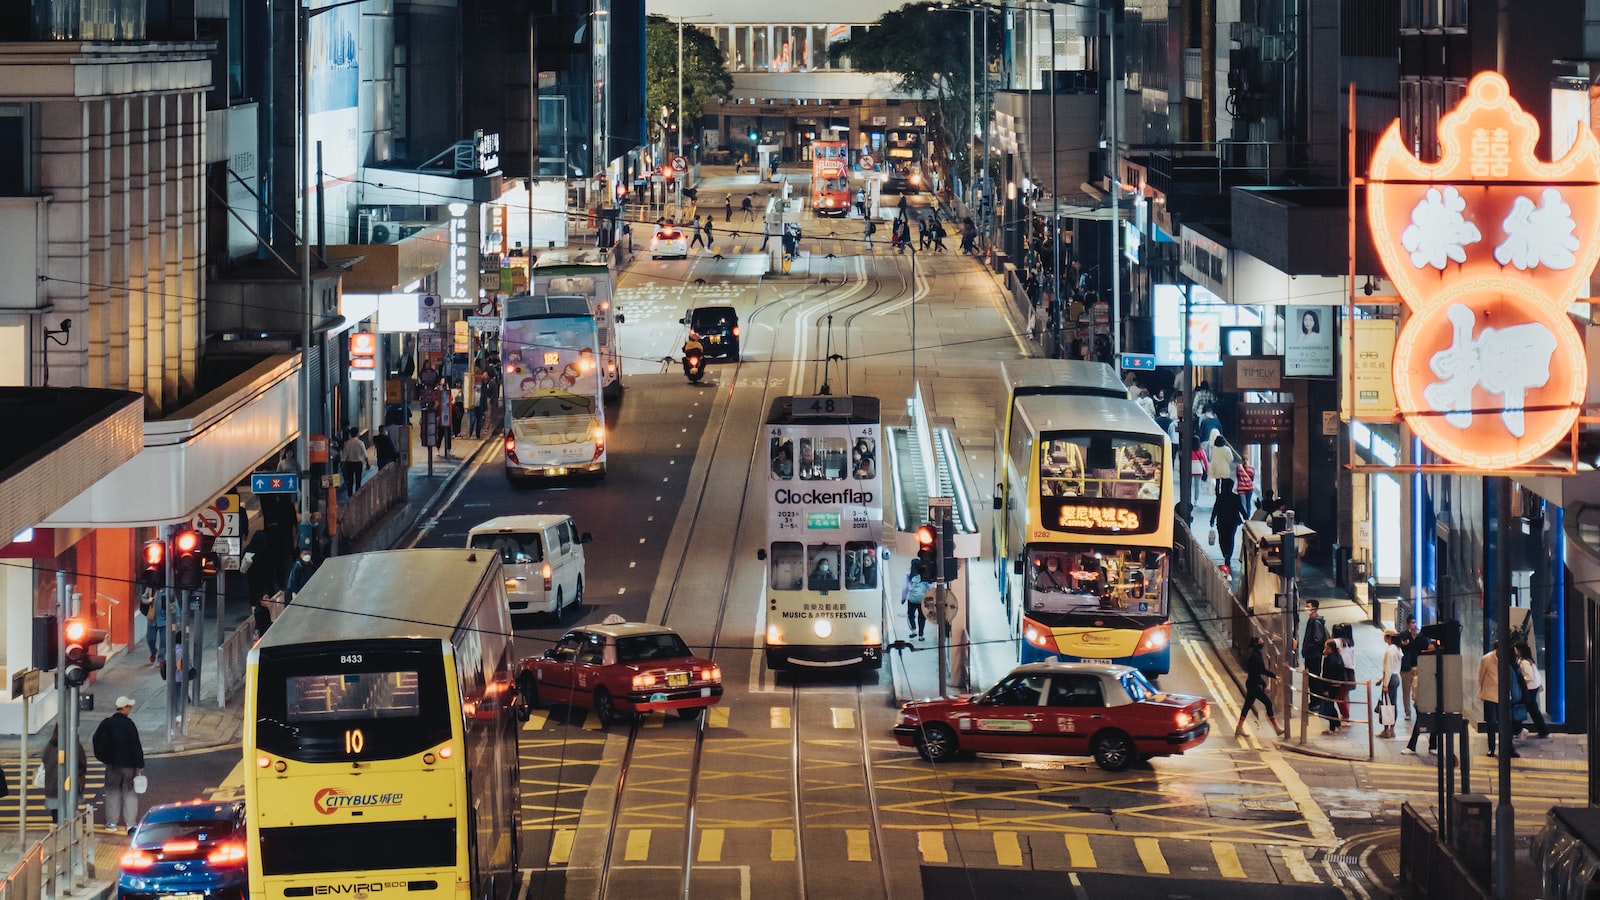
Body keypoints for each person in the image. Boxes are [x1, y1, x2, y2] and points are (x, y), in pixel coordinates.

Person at [92, 697, 145, 834]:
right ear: (125, 707)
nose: (130, 709)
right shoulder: (129, 724)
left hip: (113, 765)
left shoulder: (107, 723)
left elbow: (96, 740)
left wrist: (104, 758)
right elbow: (135, 745)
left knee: (112, 793)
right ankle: (130, 824)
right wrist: (140, 764)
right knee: (130, 794)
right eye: (130, 707)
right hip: (129, 766)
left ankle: (112, 823)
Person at [1477, 641, 1517, 757]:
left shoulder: (1508, 658)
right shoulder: (1487, 659)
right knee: (1491, 723)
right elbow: (1481, 676)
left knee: (1506, 723)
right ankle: (1491, 748)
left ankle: (1509, 748)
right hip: (1490, 695)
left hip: (1504, 695)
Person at [1235, 636, 1280, 736]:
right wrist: (1264, 685)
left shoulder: (1257, 655)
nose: (1262, 642)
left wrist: (1274, 676)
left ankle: (1239, 728)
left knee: (1247, 706)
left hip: (1253, 684)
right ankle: (1276, 728)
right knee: (1268, 703)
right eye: (1260, 641)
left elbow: (1262, 670)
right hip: (1253, 684)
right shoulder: (1254, 657)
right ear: (1256, 644)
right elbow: (1256, 674)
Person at [42, 725, 87, 824]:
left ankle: (57, 833)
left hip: (52, 787)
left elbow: (44, 760)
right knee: (70, 815)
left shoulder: (49, 745)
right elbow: (82, 764)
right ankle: (69, 834)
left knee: (56, 817)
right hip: (70, 785)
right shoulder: (74, 745)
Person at [1514, 641, 1551, 739]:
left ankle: (1520, 730)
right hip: (1532, 687)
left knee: (1525, 709)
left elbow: (1529, 677)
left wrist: (1520, 681)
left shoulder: (1524, 662)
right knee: (1533, 710)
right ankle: (1542, 730)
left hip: (1529, 688)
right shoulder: (1528, 660)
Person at [1209, 487, 1245, 574]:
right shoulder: (1235, 497)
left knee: (1222, 538)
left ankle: (1225, 553)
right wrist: (1246, 518)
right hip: (1233, 522)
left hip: (1221, 521)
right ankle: (1228, 555)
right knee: (1230, 538)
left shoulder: (1220, 497)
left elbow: (1215, 508)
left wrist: (1212, 519)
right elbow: (1241, 508)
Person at [1315, 639, 1346, 732]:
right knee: (1330, 705)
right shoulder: (1338, 657)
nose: (1325, 650)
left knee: (1329, 706)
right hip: (1337, 685)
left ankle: (1334, 725)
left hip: (1329, 686)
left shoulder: (1328, 659)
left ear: (1330, 649)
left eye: (1326, 648)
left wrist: (1325, 689)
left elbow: (1326, 674)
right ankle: (1335, 725)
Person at [1378, 630, 1402, 738]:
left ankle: (1386, 729)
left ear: (1389, 637)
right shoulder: (1397, 650)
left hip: (1390, 678)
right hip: (1395, 677)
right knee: (1392, 703)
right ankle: (1392, 728)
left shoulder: (1389, 651)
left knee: (1387, 704)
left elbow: (1388, 668)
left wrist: (1385, 684)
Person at [1397, 616, 1422, 719]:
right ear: (1408, 624)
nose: (1414, 625)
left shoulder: (1421, 636)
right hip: (1406, 666)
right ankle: (1407, 712)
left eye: (1415, 623)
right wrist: (1402, 644)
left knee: (1418, 689)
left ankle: (1418, 707)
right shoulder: (1403, 635)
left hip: (1418, 666)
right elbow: (1397, 646)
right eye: (1412, 623)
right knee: (1406, 690)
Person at [1300, 599, 1328, 671]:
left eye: (1308, 606)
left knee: (1313, 677)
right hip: (1310, 655)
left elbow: (1317, 639)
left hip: (1314, 655)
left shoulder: (1316, 622)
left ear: (1314, 609)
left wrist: (1308, 648)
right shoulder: (1311, 621)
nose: (1306, 608)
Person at [341, 429, 369, 498]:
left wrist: (342, 464)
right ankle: (358, 494)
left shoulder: (347, 443)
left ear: (350, 434)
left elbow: (344, 456)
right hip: (358, 463)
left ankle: (350, 495)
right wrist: (367, 463)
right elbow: (365, 454)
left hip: (349, 464)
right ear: (357, 434)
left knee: (350, 480)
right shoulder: (360, 443)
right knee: (358, 479)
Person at [902, 568, 928, 640]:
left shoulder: (909, 576)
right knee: (922, 617)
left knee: (910, 615)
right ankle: (921, 636)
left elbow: (904, 588)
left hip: (911, 599)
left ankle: (914, 631)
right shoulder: (925, 575)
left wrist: (903, 598)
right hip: (922, 599)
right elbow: (930, 587)